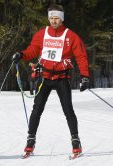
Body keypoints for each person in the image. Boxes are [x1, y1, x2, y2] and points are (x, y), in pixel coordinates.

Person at [12, 4, 89, 156]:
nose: (54, 21)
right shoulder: (42, 34)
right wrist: (21, 54)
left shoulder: (70, 36)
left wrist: (85, 76)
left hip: (62, 77)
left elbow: (81, 56)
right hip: (45, 77)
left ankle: (76, 142)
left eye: (57, 18)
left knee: (68, 110)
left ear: (62, 19)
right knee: (37, 110)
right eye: (52, 18)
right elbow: (32, 50)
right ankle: (30, 141)